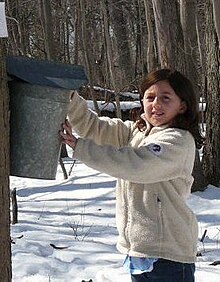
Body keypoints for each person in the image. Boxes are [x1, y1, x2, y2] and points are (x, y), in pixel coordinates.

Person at [60, 69, 203, 282]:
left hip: (169, 257)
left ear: (182, 105)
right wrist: (70, 98)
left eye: (165, 98)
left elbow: (136, 165)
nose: (156, 104)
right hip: (140, 253)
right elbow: (94, 128)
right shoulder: (136, 132)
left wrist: (80, 148)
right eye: (150, 97)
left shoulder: (178, 141)